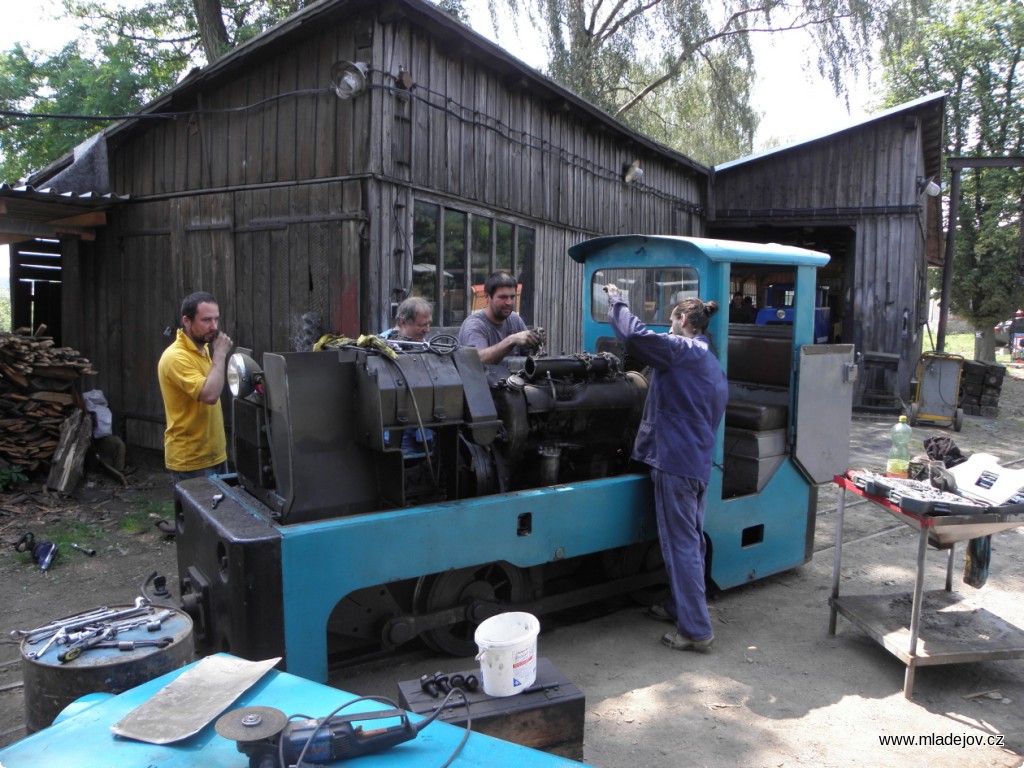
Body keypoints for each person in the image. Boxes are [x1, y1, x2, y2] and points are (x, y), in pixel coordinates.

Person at [605, 283, 729, 653]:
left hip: (675, 462)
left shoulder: (680, 350)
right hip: (696, 461)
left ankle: (695, 630)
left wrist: (617, 300)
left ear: (683, 320)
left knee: (681, 546)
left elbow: (633, 335)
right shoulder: (708, 359)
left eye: (671, 321)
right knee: (691, 540)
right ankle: (679, 607)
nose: (667, 328)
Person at [158, 291, 233, 486]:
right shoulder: (175, 357)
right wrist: (220, 355)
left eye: (216, 319)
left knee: (222, 514)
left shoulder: (202, 348)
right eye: (206, 320)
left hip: (215, 454)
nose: (214, 326)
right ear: (187, 321)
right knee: (198, 516)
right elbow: (209, 395)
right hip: (191, 461)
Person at [458, 271, 541, 364]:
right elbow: (478, 360)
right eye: (503, 297)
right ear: (487, 297)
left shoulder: (515, 320)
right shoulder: (475, 325)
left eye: (512, 297)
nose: (509, 302)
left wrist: (535, 343)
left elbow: (529, 359)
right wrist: (511, 340)